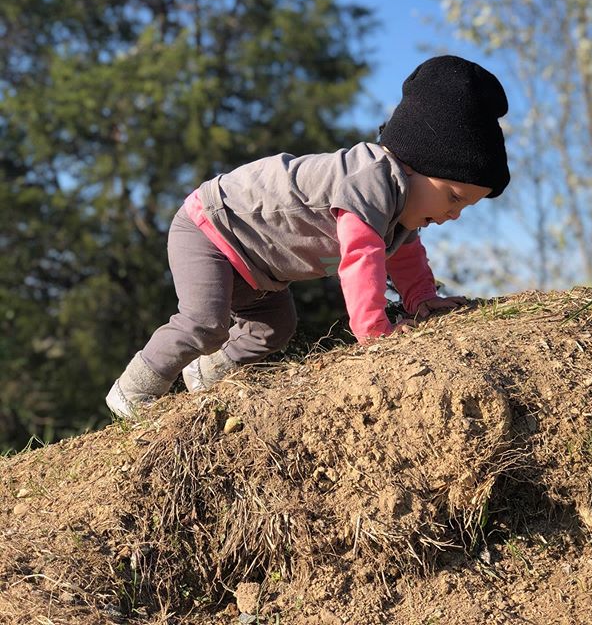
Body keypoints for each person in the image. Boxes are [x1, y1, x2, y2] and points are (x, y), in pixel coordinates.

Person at [106, 54, 510, 418]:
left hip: (260, 265)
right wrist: (374, 331)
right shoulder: (367, 180)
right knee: (204, 322)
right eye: (454, 196)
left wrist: (421, 298)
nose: (453, 214)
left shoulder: (399, 214)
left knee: (275, 328)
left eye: (465, 207)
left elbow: (402, 256)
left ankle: (205, 377)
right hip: (212, 229)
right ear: (416, 164)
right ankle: (132, 393)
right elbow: (360, 258)